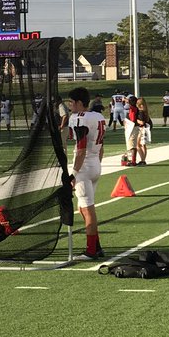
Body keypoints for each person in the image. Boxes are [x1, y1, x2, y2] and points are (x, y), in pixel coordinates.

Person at [67, 86, 108, 259]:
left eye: (71, 102)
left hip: (83, 167)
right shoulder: (97, 116)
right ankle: (96, 246)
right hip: (95, 164)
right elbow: (101, 146)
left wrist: (74, 174)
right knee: (83, 207)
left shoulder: (79, 118)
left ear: (78, 103)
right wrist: (97, 163)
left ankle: (91, 250)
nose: (69, 105)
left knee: (88, 209)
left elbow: (81, 150)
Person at [122, 95, 144, 166]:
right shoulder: (134, 107)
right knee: (131, 144)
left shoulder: (132, 108)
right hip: (133, 127)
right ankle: (131, 159)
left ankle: (133, 161)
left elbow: (133, 119)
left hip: (132, 127)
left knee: (132, 145)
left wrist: (128, 123)